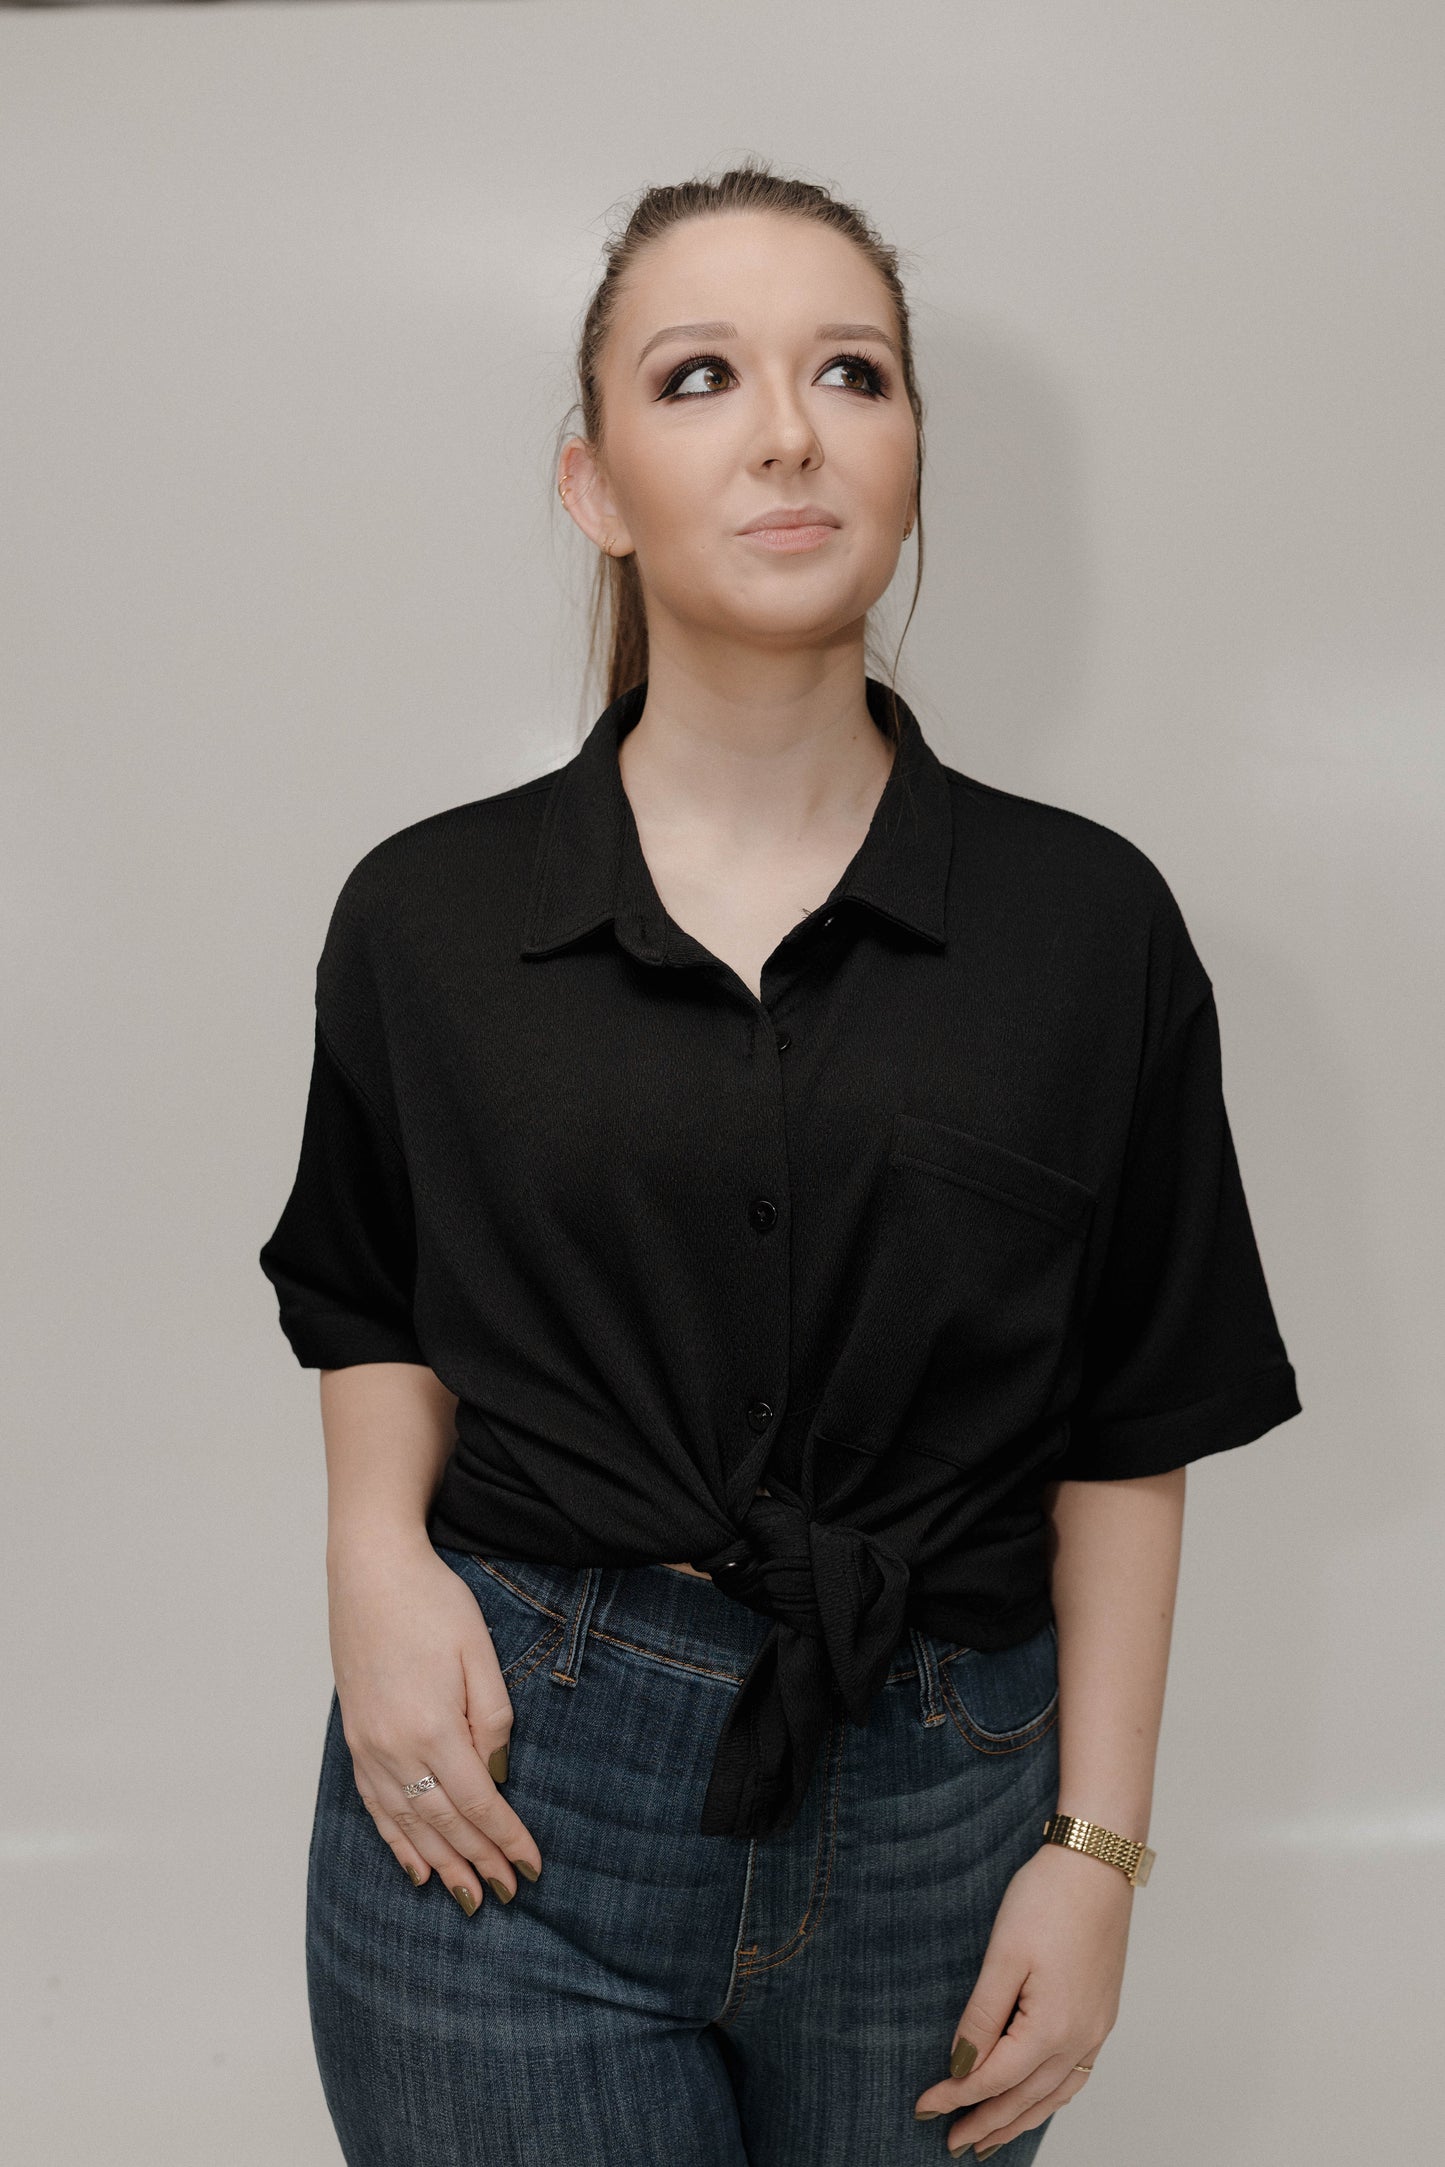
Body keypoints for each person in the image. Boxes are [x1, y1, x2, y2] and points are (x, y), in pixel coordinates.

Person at [258, 159, 1301, 2166]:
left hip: (943, 1809)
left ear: (910, 454)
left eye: (851, 371)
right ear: (593, 484)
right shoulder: (429, 917)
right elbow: (367, 1292)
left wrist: (1097, 1849)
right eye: (700, 378)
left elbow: (1131, 1412)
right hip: (510, 1794)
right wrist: (373, 1563)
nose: (789, 431)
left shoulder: (1093, 931)